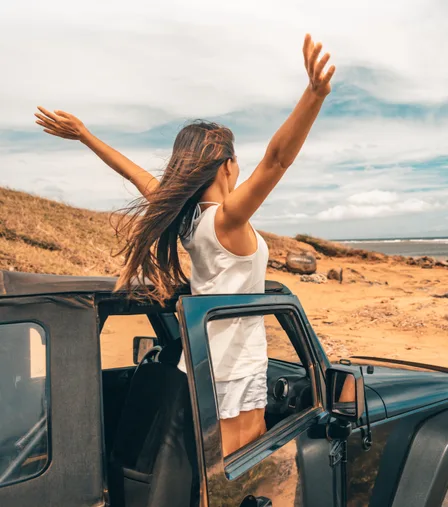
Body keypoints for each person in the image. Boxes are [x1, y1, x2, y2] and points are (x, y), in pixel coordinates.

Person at [34, 34, 335, 457]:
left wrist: (85, 134)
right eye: (237, 162)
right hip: (233, 367)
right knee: (234, 475)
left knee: (212, 466)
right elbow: (277, 160)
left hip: (198, 361)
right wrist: (314, 95)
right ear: (228, 166)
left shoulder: (188, 220)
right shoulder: (227, 220)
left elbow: (135, 173)